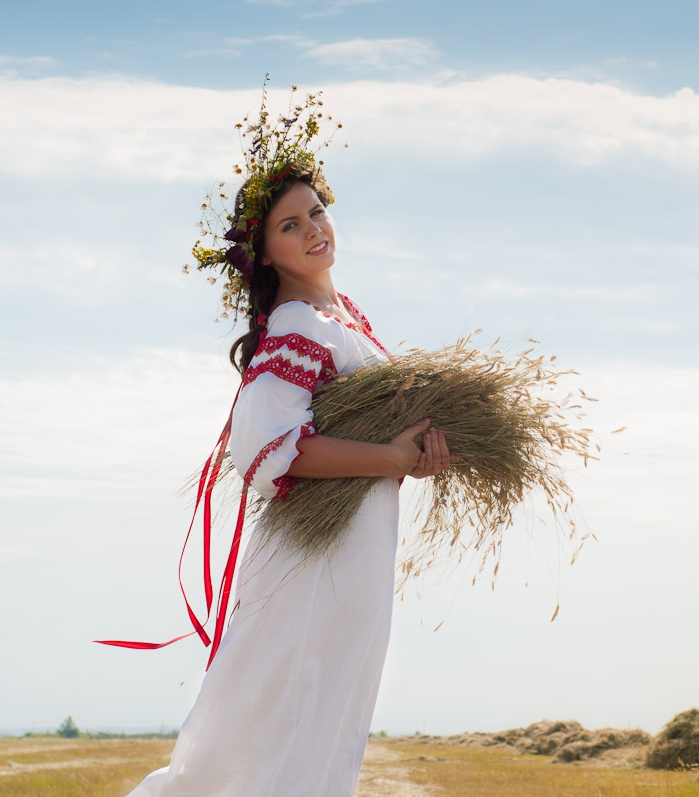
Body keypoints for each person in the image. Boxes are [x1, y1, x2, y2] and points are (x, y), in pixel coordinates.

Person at [126, 108, 455, 796]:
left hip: (357, 547)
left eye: (316, 212)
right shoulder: (296, 325)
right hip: (316, 560)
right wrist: (394, 459)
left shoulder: (344, 318)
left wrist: (418, 451)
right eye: (291, 225)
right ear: (266, 254)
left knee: (327, 715)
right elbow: (272, 449)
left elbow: (365, 436)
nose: (314, 230)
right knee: (280, 722)